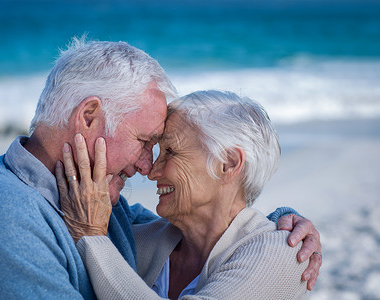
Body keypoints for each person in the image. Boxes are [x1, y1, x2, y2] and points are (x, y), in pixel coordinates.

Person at [0, 38, 321, 299]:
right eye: (146, 142)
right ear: (88, 116)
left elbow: (224, 226)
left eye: (162, 149)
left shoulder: (99, 205)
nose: (146, 167)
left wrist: (283, 224)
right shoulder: (0, 214)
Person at [56, 90, 318, 299]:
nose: (151, 171)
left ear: (227, 164)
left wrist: (91, 236)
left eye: (170, 152)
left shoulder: (286, 252)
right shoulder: (140, 236)